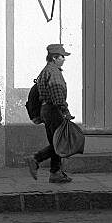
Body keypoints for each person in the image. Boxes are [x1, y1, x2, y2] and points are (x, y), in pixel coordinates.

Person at [27, 44, 75, 183]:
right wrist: (65, 111)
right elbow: (57, 94)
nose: (64, 59)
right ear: (54, 57)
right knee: (59, 143)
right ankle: (36, 159)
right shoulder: (53, 72)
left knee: (55, 142)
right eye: (62, 57)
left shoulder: (45, 71)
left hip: (46, 110)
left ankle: (55, 173)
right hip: (54, 110)